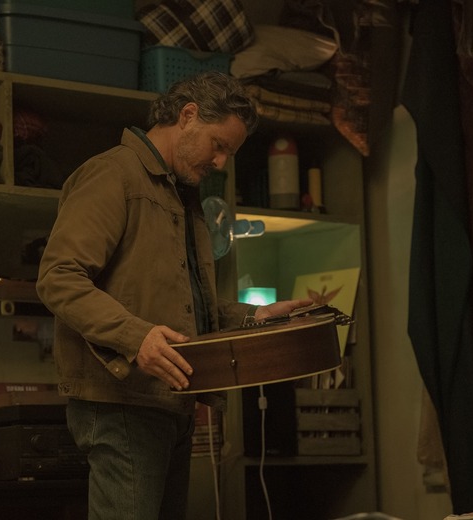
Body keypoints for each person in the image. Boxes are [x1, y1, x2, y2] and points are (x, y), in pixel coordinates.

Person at [36, 71, 312, 520]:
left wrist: (257, 318)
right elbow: (58, 277)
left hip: (169, 404)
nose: (221, 162)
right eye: (218, 145)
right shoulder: (114, 174)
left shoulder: (181, 197)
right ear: (187, 116)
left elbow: (189, 308)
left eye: (230, 152)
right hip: (123, 404)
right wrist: (136, 338)